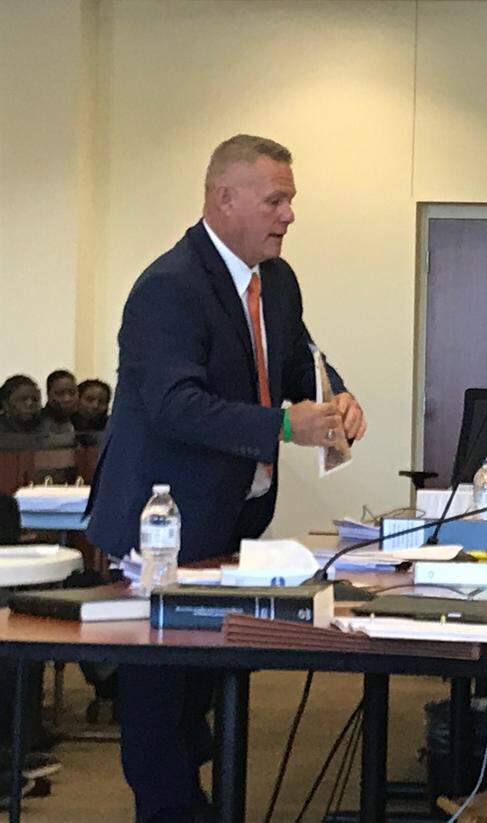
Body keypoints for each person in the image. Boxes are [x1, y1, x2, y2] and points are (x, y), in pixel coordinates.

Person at [86, 133, 367, 822]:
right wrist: (281, 426)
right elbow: (175, 405)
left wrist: (339, 398)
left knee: (200, 696)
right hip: (159, 527)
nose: (289, 214)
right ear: (225, 198)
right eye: (276, 199)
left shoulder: (278, 280)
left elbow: (300, 365)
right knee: (161, 712)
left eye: (291, 200)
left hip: (228, 525)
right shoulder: (168, 288)